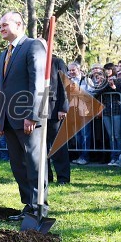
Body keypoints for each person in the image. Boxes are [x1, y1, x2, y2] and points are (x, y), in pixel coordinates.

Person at [0, 11, 47, 221]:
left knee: (33, 162)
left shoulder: (33, 46)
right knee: (18, 164)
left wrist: (33, 115)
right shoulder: (4, 54)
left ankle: (39, 207)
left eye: (5, 24)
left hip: (28, 118)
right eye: (0, 26)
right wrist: (0, 118)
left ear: (18, 24)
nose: (1, 28)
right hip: (8, 119)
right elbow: (3, 89)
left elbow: (37, 83)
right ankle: (28, 205)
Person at [46, 55, 70, 184]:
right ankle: (46, 176)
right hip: (38, 111)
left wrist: (63, 108)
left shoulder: (57, 62)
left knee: (58, 146)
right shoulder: (35, 62)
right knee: (41, 147)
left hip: (55, 110)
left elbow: (64, 86)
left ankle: (63, 177)